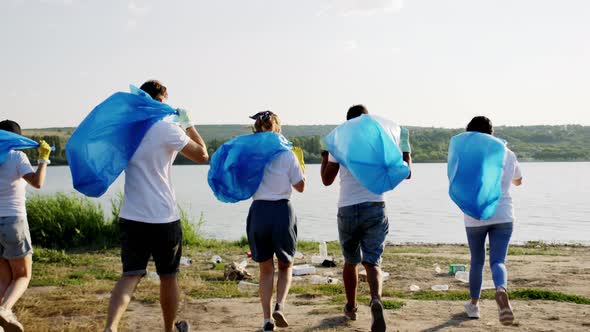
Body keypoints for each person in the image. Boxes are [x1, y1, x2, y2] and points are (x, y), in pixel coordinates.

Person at [103, 80, 209, 332]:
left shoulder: (128, 131)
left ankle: (110, 327)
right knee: (168, 276)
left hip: (131, 215)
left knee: (130, 275)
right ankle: (168, 329)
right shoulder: (166, 129)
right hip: (163, 216)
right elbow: (202, 155)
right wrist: (188, 125)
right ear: (161, 101)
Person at [320, 105, 412, 332]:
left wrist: (325, 156)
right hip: (375, 205)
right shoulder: (380, 141)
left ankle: (351, 307)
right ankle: (376, 299)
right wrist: (406, 152)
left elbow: (326, 179)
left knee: (350, 261)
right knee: (372, 261)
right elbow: (406, 172)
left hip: (348, 207)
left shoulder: (341, 141)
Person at [246, 111, 305, 332]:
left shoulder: (250, 156)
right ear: (278, 129)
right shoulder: (288, 154)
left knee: (265, 269)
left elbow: (243, 184)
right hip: (282, 211)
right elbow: (300, 187)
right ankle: (280, 305)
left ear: (256, 130)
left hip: (259, 211)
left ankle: (266, 319)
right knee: (286, 264)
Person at [460, 116, 522, 325]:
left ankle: (474, 305)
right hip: (503, 213)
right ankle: (501, 290)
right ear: (492, 133)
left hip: (475, 214)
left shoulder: (468, 155)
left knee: (477, 260)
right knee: (498, 260)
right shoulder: (507, 153)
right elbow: (519, 181)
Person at [0, 120, 51, 332]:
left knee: (4, 278)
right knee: (22, 275)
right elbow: (37, 183)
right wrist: (43, 159)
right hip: (13, 222)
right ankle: (4, 310)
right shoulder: (17, 156)